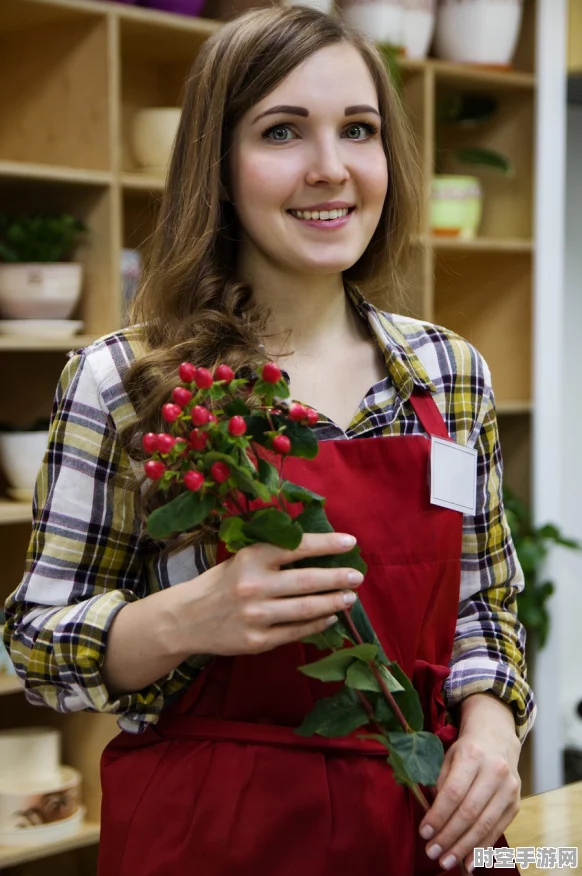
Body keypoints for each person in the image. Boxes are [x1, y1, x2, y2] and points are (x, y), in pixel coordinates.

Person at [3, 6, 536, 875]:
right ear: (216, 164)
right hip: (209, 836)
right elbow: (35, 645)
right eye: (282, 131)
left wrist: (490, 728)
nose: (330, 170)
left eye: (357, 131)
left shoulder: (449, 375)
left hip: (422, 827)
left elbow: (487, 606)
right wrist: (188, 618)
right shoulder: (126, 382)